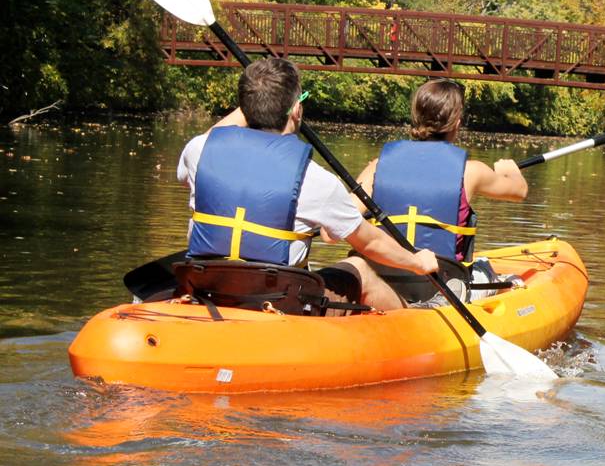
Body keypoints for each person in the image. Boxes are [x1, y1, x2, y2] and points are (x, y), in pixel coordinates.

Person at [176, 57, 437, 311]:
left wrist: (254, 100)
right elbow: (371, 244)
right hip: (277, 301)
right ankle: (413, 317)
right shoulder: (316, 180)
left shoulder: (198, 150)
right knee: (359, 268)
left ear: (244, 107)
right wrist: (417, 262)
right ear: (297, 110)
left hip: (210, 288)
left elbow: (211, 139)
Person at [350, 78, 528, 304]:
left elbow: (346, 216)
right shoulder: (471, 172)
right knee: (485, 267)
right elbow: (519, 191)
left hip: (383, 277)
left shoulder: (376, 166)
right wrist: (509, 170)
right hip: (442, 282)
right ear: (457, 122)